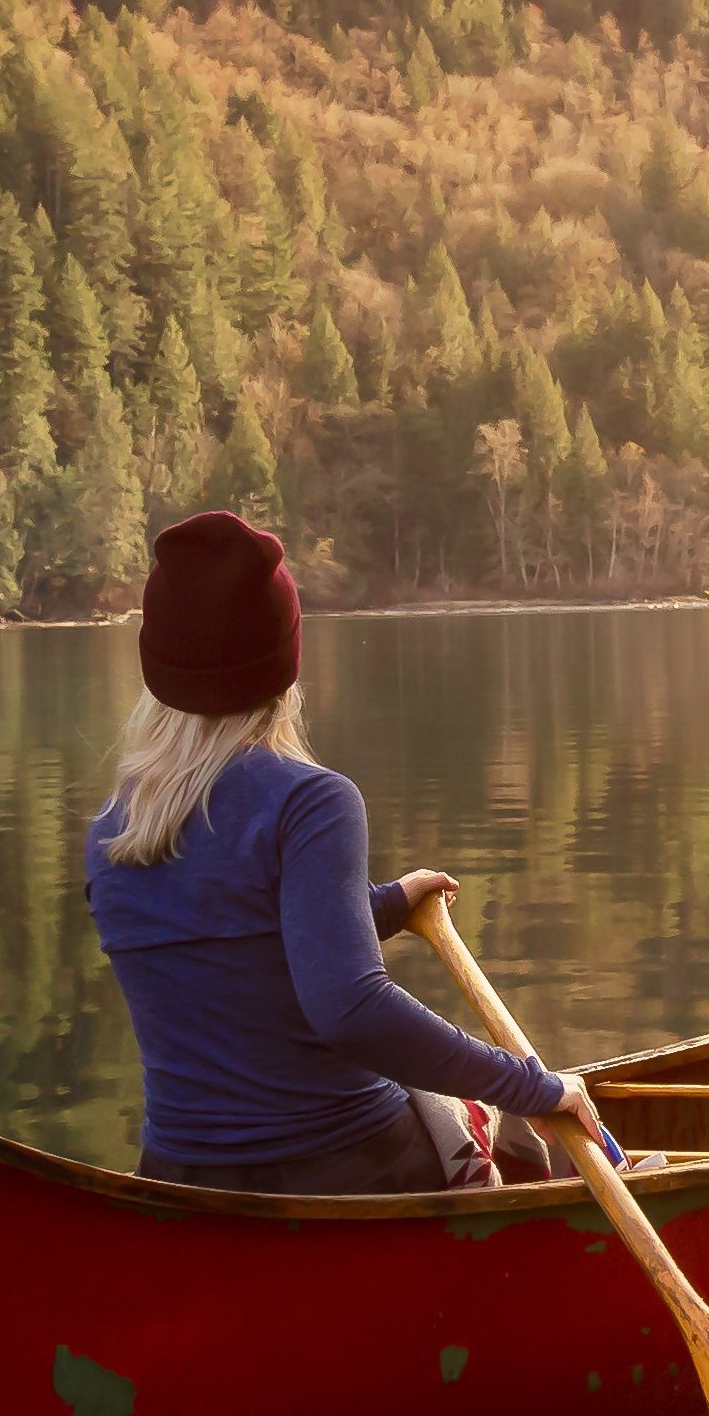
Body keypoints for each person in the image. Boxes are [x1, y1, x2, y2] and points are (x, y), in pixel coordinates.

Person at [83, 508, 614, 1192]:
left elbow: (236, 937)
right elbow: (350, 1009)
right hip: (345, 1168)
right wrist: (529, 1087)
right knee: (480, 1109)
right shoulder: (310, 800)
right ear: (283, 663)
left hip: (183, 1179)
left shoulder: (112, 831)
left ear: (159, 668)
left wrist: (388, 904)